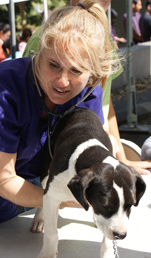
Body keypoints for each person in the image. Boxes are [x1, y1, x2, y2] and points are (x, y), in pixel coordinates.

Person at [0, 0, 120, 236]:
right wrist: (61, 199)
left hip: (4, 209)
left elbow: (91, 152)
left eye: (76, 70)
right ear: (39, 52)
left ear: (92, 74)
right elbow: (5, 179)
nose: (62, 81)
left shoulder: (88, 91)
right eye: (53, 65)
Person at [23, 0, 151, 176]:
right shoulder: (52, 34)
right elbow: (32, 110)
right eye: (55, 65)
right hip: (49, 163)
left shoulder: (103, 37)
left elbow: (107, 104)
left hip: (96, 148)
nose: (63, 80)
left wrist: (122, 158)